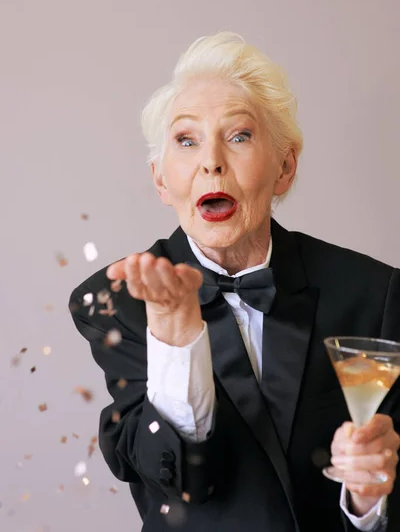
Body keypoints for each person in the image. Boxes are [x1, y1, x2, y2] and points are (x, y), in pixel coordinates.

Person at [68, 32, 400, 532]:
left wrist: (369, 502)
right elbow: (172, 478)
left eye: (239, 135)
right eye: (187, 140)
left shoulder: (374, 293)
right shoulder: (118, 302)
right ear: (161, 179)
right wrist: (177, 340)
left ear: (285, 166)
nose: (212, 161)